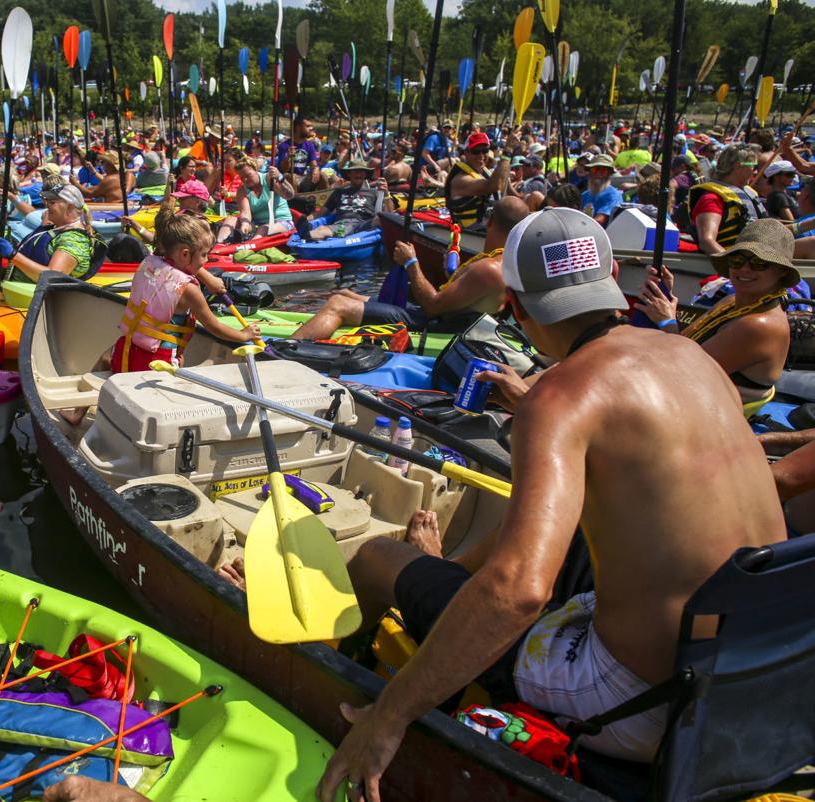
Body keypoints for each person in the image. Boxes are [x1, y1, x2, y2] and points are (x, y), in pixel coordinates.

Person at [317, 208, 786, 801]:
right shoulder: (696, 360)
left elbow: (517, 591)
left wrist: (391, 716)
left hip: (643, 701)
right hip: (759, 673)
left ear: (513, 305)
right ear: (613, 274)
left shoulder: (560, 397)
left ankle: (351, 697)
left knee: (377, 559)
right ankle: (439, 576)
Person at [292, 197, 530, 341]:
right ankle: (318, 329)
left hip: (438, 324)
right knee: (342, 294)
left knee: (338, 305)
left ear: (489, 222)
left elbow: (432, 306)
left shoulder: (488, 268)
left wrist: (411, 263)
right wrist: (453, 273)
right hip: (450, 315)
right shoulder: (502, 260)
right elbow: (467, 294)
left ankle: (279, 353)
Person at [636, 219, 796, 415]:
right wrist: (666, 298)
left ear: (781, 271)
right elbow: (686, 343)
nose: (745, 269)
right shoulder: (730, 302)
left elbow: (684, 370)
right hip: (691, 398)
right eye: (737, 260)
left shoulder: (760, 325)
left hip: (708, 417)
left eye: (759, 263)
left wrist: (667, 321)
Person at [109, 200, 259, 373]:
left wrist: (209, 279)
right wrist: (245, 334)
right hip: (157, 363)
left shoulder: (151, 261)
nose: (206, 260)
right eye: (204, 255)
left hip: (124, 351)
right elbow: (214, 327)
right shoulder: (189, 291)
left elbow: (180, 265)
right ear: (185, 254)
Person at [0, 181, 99, 283]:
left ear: (69, 207)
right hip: (19, 286)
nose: (47, 205)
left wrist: (13, 255)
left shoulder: (73, 240)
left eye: (52, 202)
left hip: (32, 298)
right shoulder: (57, 228)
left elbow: (52, 277)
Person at [688, 144, 765, 256]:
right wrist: (734, 265)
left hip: (755, 256)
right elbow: (707, 241)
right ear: (739, 167)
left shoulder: (747, 193)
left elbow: (767, 228)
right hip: (735, 263)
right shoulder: (712, 199)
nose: (755, 172)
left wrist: (799, 227)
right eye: (754, 166)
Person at [298, 159, 392, 243]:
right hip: (342, 225)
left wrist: (386, 194)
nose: (358, 174)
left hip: (364, 224)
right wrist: (305, 220)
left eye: (361, 172)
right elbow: (321, 213)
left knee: (381, 218)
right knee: (321, 229)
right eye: (355, 171)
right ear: (349, 174)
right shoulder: (339, 192)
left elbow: (389, 213)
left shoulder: (374, 193)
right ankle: (307, 234)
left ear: (365, 174)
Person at [214, 160, 295, 242]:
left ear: (256, 170)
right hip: (258, 224)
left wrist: (280, 178)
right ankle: (220, 244)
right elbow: (245, 212)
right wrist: (245, 224)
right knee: (231, 220)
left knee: (263, 228)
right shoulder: (242, 190)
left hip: (282, 222)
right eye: (242, 177)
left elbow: (289, 195)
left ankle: (249, 248)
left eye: (248, 175)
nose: (245, 179)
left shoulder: (269, 179)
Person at [444, 132, 509, 231]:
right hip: (470, 233)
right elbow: (492, 186)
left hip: (488, 226)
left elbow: (501, 188)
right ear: (466, 153)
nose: (481, 155)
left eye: (484, 150)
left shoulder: (485, 173)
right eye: (476, 151)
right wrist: (508, 153)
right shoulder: (461, 179)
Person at [579, 154, 622, 226]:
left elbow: (600, 220)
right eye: (594, 169)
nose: (598, 173)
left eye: (602, 170)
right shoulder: (585, 195)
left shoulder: (613, 195)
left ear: (609, 173)